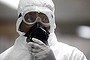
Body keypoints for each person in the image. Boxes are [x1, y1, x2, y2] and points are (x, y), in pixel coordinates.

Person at [0, 0, 87, 60]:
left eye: (45, 19)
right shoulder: (5, 57)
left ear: (51, 23)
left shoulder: (73, 56)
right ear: (20, 22)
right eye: (30, 19)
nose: (38, 25)